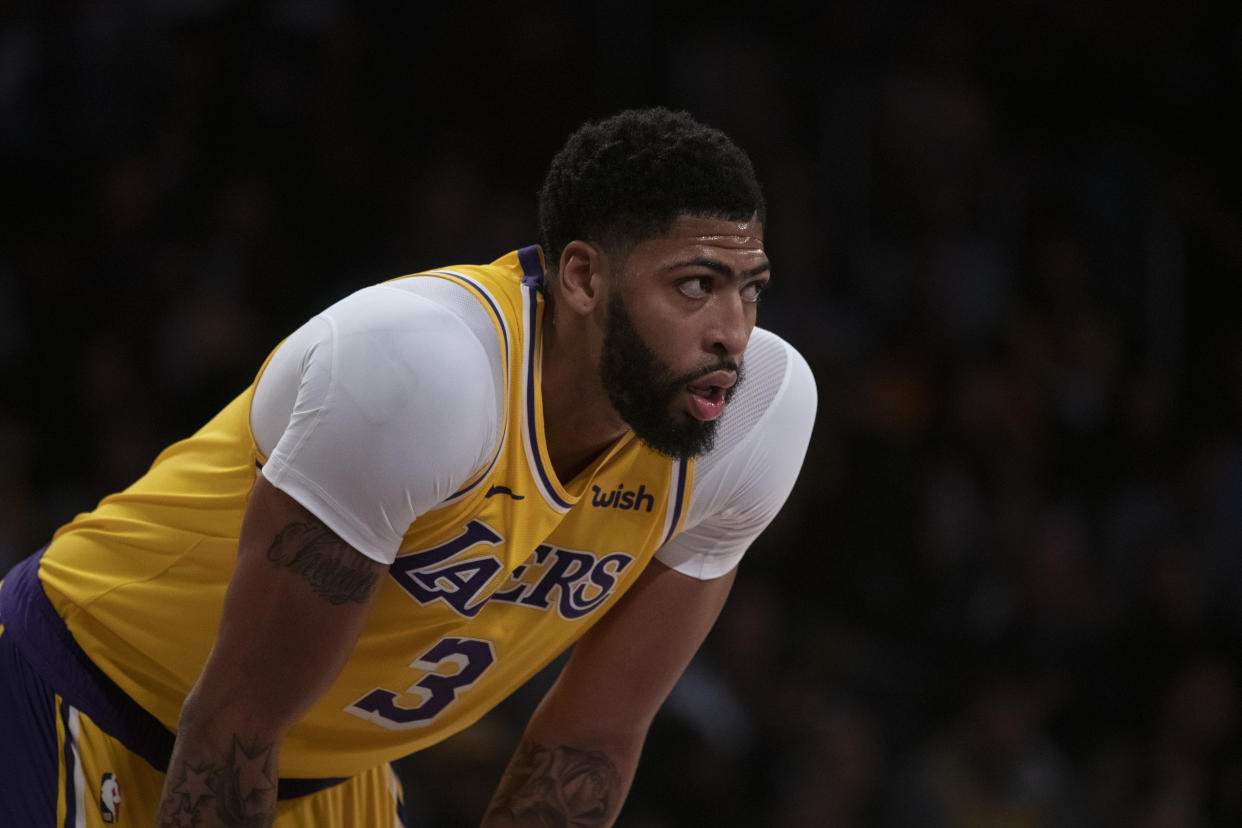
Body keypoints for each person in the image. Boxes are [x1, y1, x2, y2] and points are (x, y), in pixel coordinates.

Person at [0, 107, 817, 827]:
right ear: (581, 278)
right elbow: (230, 724)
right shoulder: (426, 371)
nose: (732, 332)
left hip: (310, 773)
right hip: (80, 696)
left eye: (750, 289)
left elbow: (587, 747)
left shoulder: (753, 413)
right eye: (696, 286)